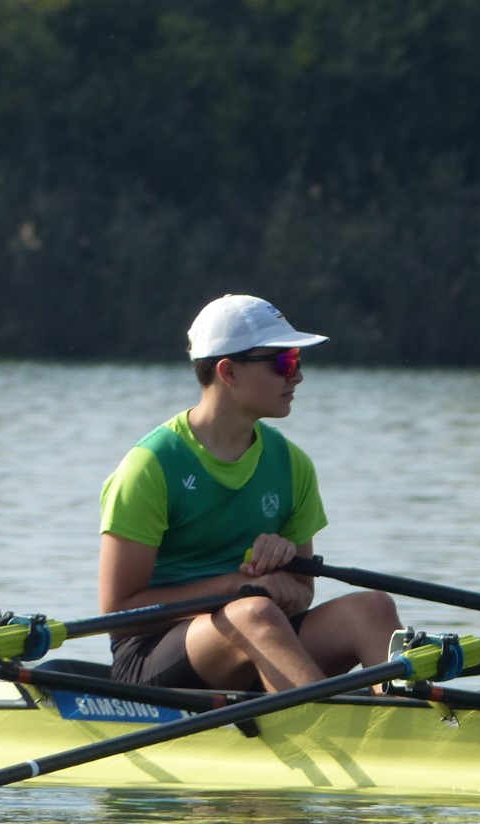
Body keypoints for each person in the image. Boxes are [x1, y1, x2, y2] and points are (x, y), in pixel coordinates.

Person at [98, 293, 400, 693]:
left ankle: (415, 723)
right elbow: (117, 612)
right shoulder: (151, 467)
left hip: (263, 635)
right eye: (283, 362)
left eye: (297, 361)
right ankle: (322, 722)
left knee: (374, 608)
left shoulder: (291, 465)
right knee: (254, 613)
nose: (297, 376)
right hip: (149, 655)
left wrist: (281, 575)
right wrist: (232, 588)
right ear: (229, 372)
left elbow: (301, 595)